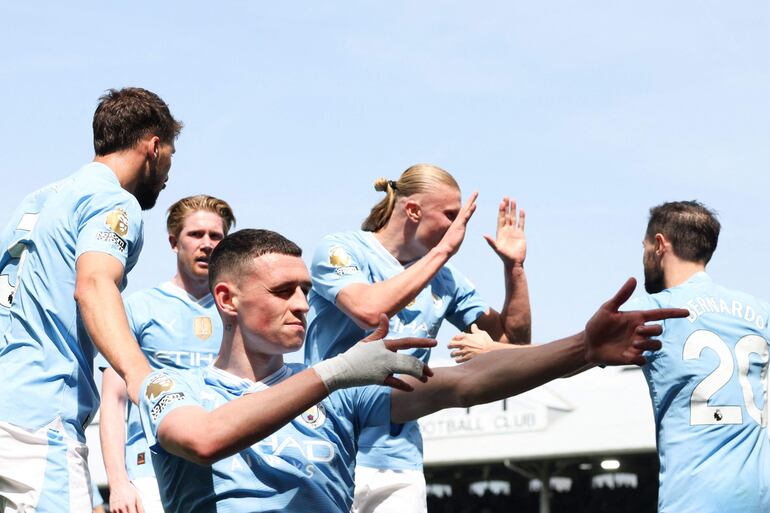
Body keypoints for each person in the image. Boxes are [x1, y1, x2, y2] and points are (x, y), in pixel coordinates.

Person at [138, 228, 688, 513]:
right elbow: (204, 439)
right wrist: (332, 374)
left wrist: (581, 350)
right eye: (284, 291)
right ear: (228, 299)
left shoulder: (341, 393)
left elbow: (464, 384)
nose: (303, 304)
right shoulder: (171, 386)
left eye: (307, 290)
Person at [304, 164, 530, 511]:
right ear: (413, 210)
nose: (459, 227)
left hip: (399, 461)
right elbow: (368, 309)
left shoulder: (447, 279)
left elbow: (514, 343)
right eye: (451, 216)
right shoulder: (341, 249)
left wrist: (513, 268)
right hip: (328, 445)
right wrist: (443, 252)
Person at [0, 87, 182, 513]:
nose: (171, 171)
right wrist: (142, 381)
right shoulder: (112, 200)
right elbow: (95, 285)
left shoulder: (38, 201)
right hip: (38, 418)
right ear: (153, 147)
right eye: (172, 155)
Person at [626, 201, 770, 512]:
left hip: (694, 502)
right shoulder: (760, 312)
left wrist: (493, 349)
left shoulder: (651, 311)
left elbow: (572, 356)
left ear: (660, 244)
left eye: (645, 245)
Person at [100, 195, 236, 513]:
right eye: (196, 235)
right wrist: (119, 482)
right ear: (174, 242)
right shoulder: (139, 307)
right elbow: (114, 401)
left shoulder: (238, 312)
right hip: (151, 472)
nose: (207, 244)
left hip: (226, 471)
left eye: (216, 236)